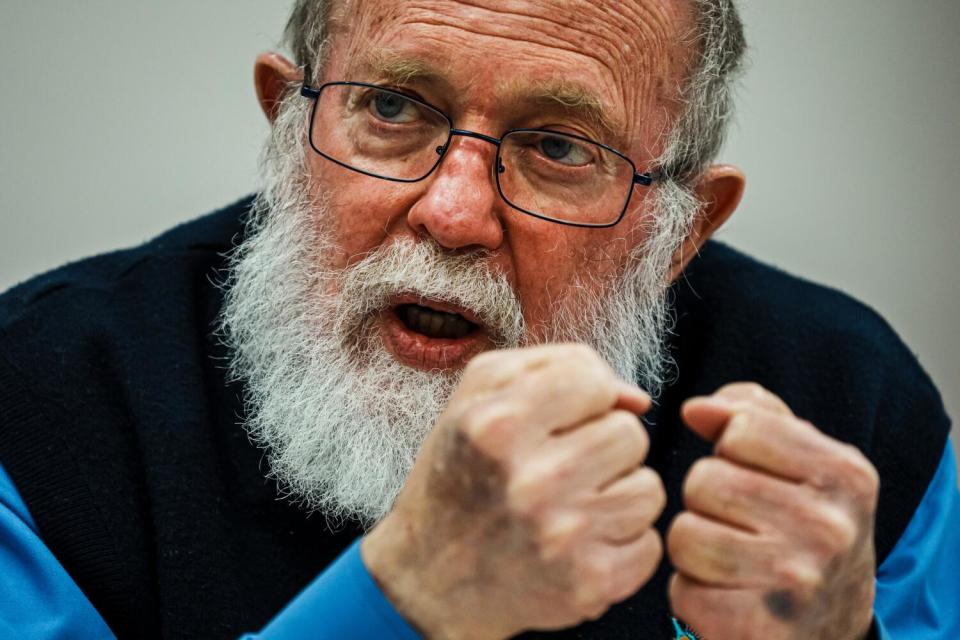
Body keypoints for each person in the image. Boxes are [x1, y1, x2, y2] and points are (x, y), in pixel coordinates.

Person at [0, 0, 956, 638]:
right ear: (289, 135)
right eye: (391, 107)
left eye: (556, 146)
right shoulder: (36, 404)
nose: (453, 214)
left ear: (681, 233)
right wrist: (402, 596)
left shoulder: (847, 415)